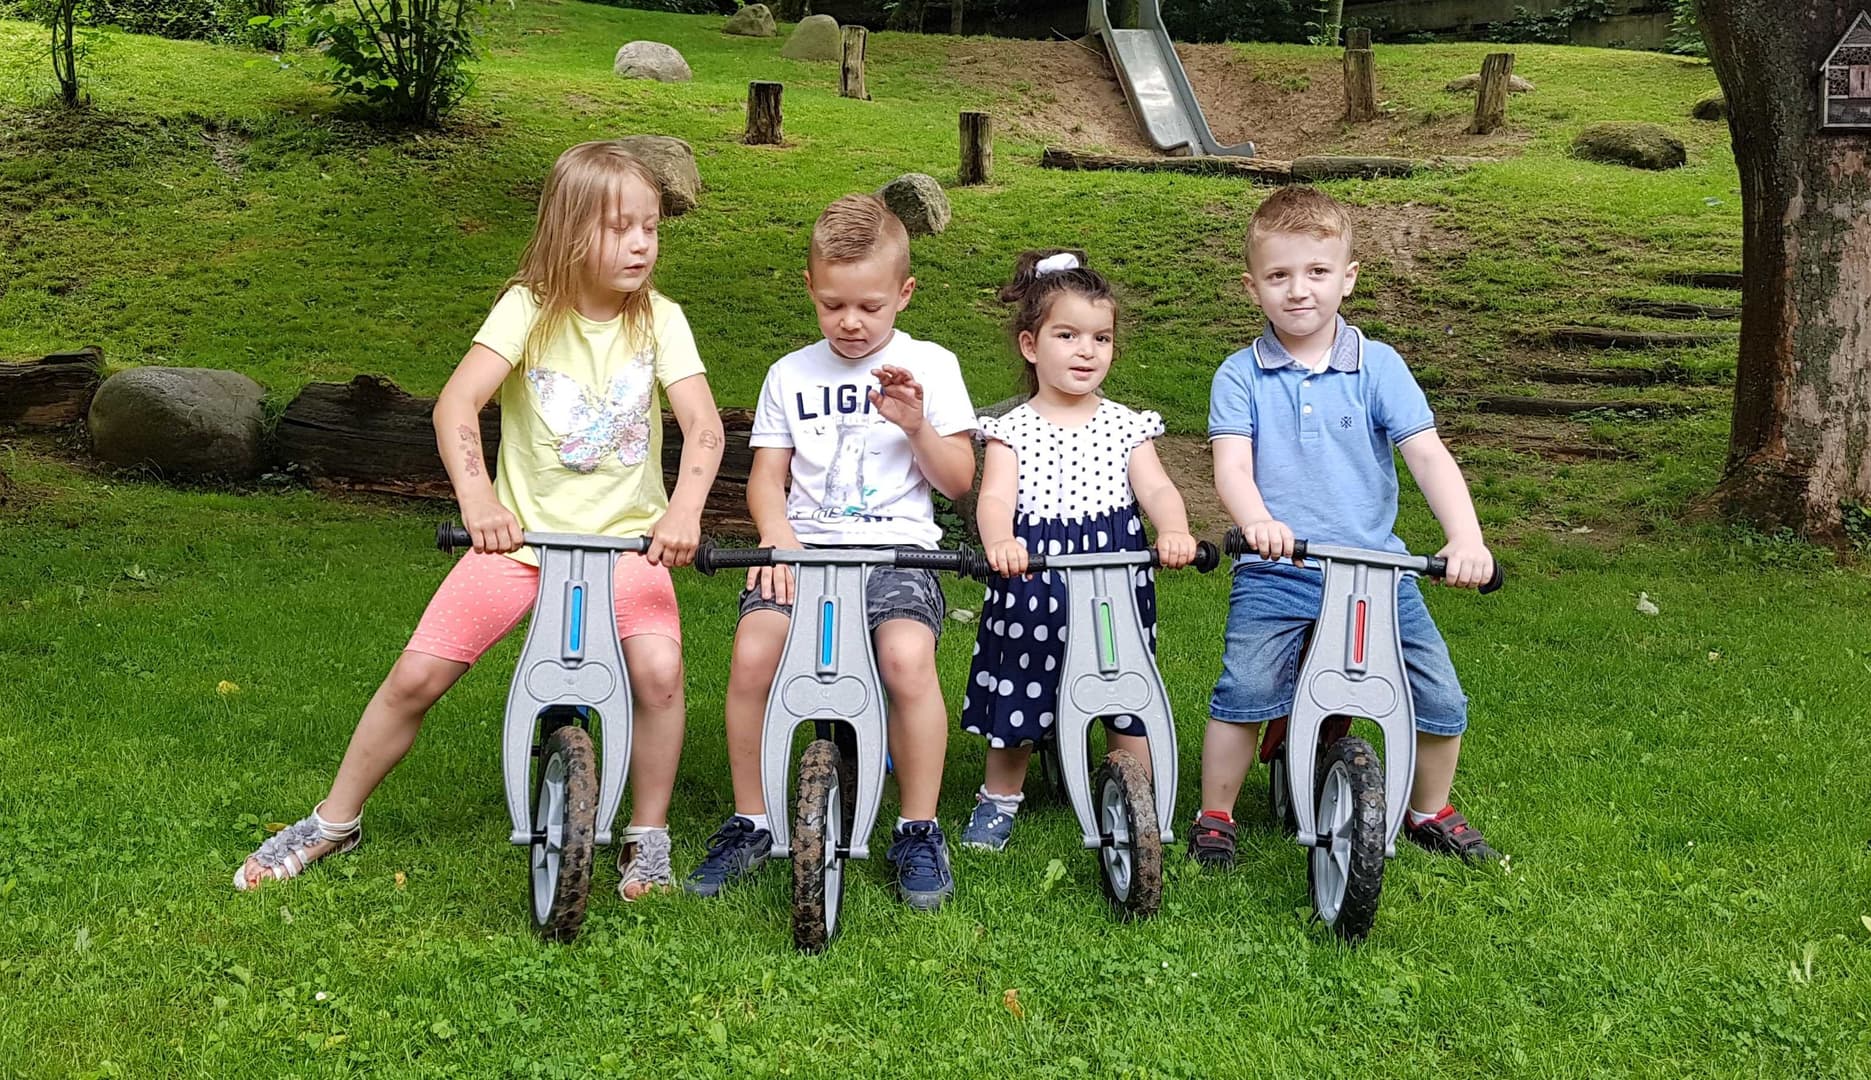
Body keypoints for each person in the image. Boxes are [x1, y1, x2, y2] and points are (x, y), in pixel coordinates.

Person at [235, 141, 725, 900]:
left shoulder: (661, 320)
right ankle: (334, 819)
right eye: (620, 228)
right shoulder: (527, 310)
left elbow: (704, 427)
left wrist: (684, 512)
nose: (641, 245)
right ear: (570, 233)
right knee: (416, 676)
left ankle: (647, 834)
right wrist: (479, 502)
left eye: (651, 228)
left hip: (628, 549)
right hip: (523, 546)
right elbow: (457, 405)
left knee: (659, 677)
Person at [1193, 186, 1501, 869]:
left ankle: (1429, 809)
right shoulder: (1240, 376)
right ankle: (1216, 814)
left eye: (1317, 272)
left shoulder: (1379, 366)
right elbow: (1231, 467)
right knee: (1245, 689)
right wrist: (1258, 522)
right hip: (1279, 569)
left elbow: (1427, 455)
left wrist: (1466, 538)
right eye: (1279, 275)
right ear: (1252, 286)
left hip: (1375, 569)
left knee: (1441, 696)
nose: (1298, 290)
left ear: (1348, 277)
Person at [685, 194, 977, 910]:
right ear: (810, 288)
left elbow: (960, 482)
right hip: (804, 553)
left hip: (899, 555)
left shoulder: (931, 366)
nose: (850, 321)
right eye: (833, 304)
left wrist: (917, 427)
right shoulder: (790, 374)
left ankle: (918, 827)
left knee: (906, 659)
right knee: (754, 653)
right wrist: (776, 538)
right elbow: (766, 479)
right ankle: (751, 820)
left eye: (870, 307)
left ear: (904, 294)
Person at [957, 249, 1196, 852]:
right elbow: (994, 498)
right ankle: (999, 797)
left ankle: (1140, 793)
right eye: (1067, 335)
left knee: (1124, 677)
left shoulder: (1126, 425)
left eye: (1101, 338)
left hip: (1114, 568)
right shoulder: (1012, 429)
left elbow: (1157, 489)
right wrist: (1000, 542)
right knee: (1023, 680)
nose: (1086, 350)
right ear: (1030, 345)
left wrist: (1173, 529)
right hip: (1034, 571)